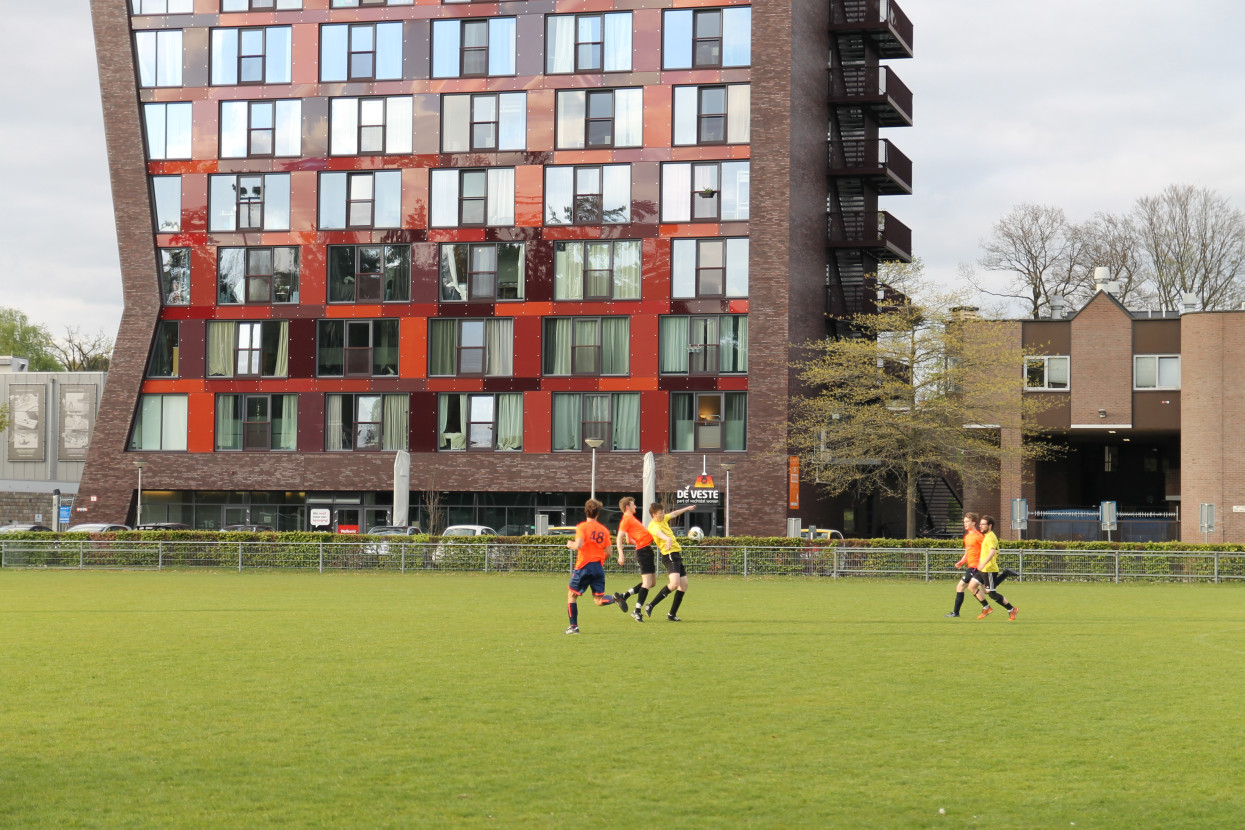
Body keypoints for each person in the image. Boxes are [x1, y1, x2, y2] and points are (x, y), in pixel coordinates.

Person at [564, 498, 627, 634]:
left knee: (571, 595)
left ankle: (573, 627)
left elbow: (579, 545)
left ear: (586, 511)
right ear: (598, 513)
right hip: (598, 567)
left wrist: (570, 544)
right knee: (598, 600)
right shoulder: (604, 530)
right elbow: (609, 552)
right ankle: (614, 598)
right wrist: (597, 560)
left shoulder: (582, 527)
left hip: (584, 566)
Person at [643, 503, 695, 621]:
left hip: (676, 554)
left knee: (684, 585)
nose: (663, 514)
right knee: (674, 584)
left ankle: (672, 614)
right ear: (653, 515)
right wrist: (667, 539)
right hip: (669, 555)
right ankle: (650, 605)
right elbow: (659, 534)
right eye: (660, 513)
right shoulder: (653, 526)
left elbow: (674, 513)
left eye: (663, 512)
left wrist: (687, 508)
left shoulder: (663, 519)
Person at [615, 496, 657, 622]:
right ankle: (637, 611)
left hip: (644, 549)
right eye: (633, 505)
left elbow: (628, 540)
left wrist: (639, 541)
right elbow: (619, 538)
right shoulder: (626, 519)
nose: (635, 506)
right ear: (627, 507)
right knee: (647, 583)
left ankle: (624, 596)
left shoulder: (631, 519)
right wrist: (620, 554)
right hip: (643, 551)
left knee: (652, 583)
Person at [970, 515, 1018, 620]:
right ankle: (986, 608)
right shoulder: (987, 536)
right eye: (980, 524)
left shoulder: (991, 536)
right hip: (983, 569)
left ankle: (1011, 609)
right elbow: (996, 551)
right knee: (972, 586)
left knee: (991, 594)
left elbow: (992, 551)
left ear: (990, 526)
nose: (980, 526)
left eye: (983, 524)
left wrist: (983, 563)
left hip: (989, 570)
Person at [946, 512, 992, 618]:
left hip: (976, 567)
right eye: (964, 522)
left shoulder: (979, 536)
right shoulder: (967, 537)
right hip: (971, 566)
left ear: (974, 523)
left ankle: (956, 613)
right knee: (987, 591)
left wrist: (983, 564)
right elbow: (968, 552)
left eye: (967, 522)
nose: (965, 524)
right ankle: (988, 606)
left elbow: (987, 550)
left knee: (960, 586)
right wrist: (961, 562)